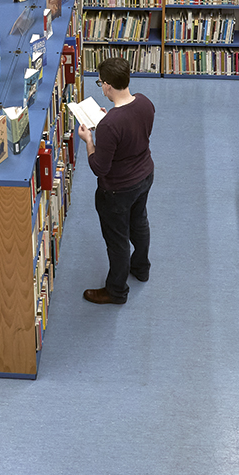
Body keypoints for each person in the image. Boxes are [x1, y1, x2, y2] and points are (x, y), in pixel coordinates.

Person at [77, 57, 155, 305]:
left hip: (118, 190)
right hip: (145, 175)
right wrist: (107, 121)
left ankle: (116, 291)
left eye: (100, 82)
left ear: (107, 85)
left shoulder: (110, 124)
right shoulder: (145, 102)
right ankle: (141, 268)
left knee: (117, 241)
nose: (101, 86)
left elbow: (99, 168)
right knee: (139, 222)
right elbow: (132, 131)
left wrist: (89, 141)